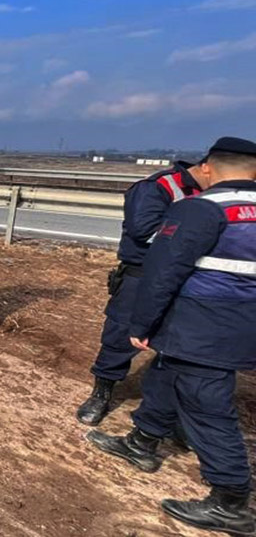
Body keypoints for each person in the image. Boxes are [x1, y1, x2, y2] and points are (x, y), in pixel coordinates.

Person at [86, 136, 256, 536]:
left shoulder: (203, 209)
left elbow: (164, 271)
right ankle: (143, 441)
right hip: (236, 324)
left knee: (207, 405)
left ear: (210, 168)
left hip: (203, 323)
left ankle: (231, 499)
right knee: (163, 373)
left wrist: (143, 324)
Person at [75, 159, 209, 425]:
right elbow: (142, 230)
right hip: (144, 275)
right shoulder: (158, 187)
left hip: (191, 277)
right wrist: (195, 240)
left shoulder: (221, 193)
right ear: (209, 167)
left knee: (181, 340)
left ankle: (171, 408)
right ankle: (102, 391)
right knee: (120, 334)